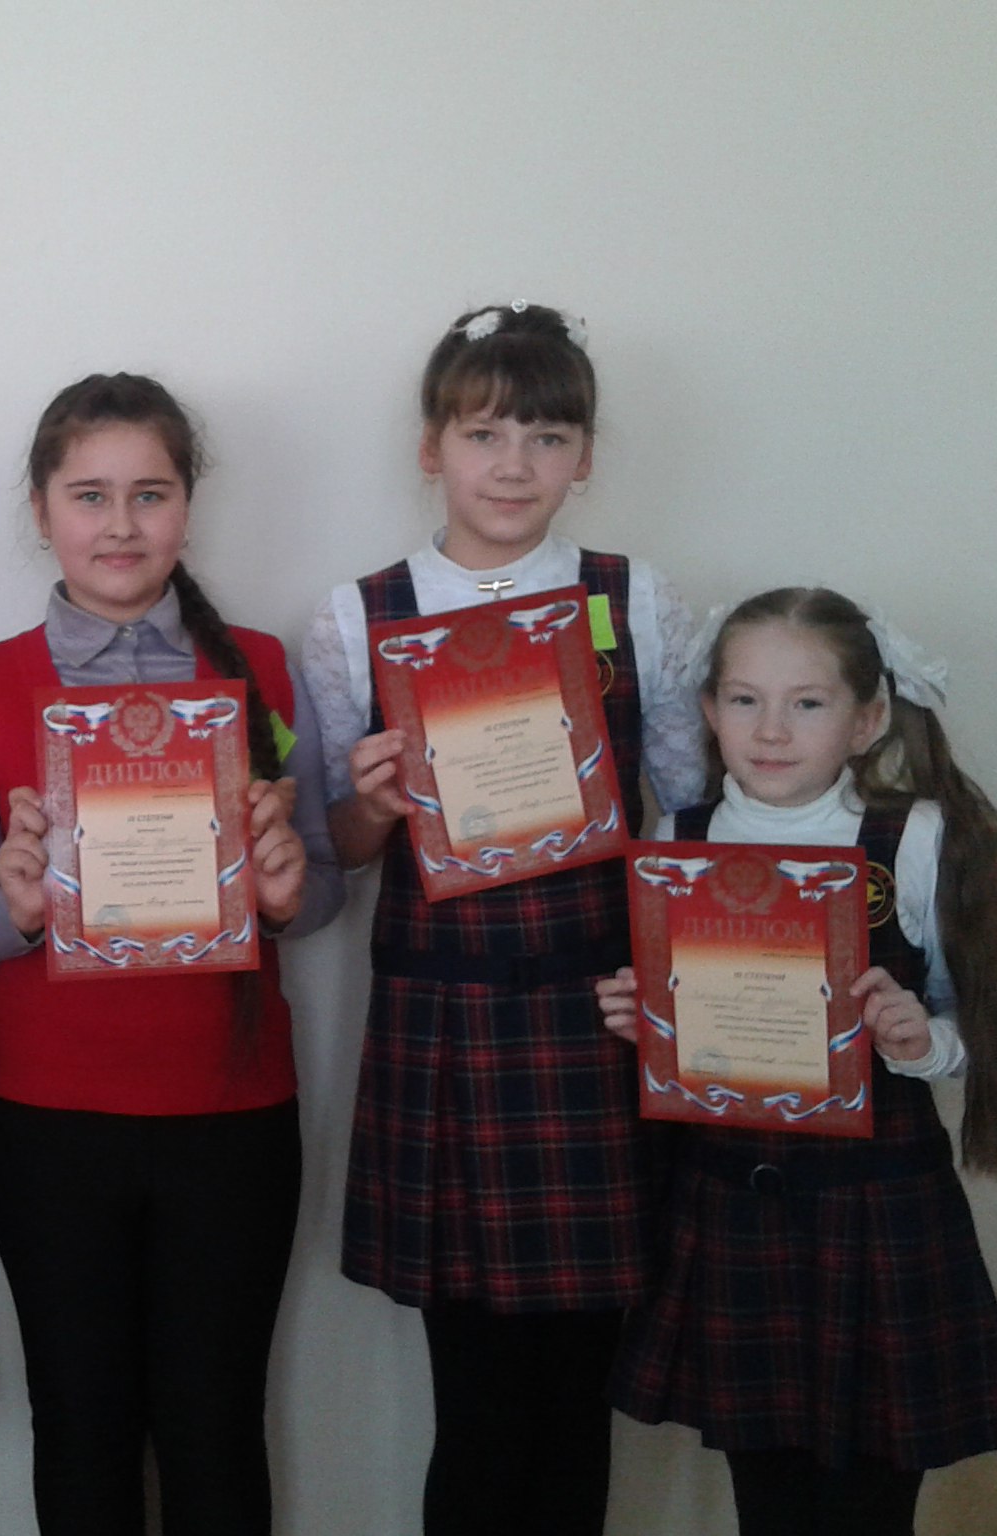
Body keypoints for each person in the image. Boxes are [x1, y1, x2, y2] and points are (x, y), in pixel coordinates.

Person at [300, 304, 708, 1535]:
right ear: (431, 447)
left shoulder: (634, 598)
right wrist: (370, 806)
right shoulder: (357, 614)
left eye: (546, 435)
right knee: (473, 1406)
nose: (514, 464)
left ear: (583, 456)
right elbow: (338, 853)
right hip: (446, 1023)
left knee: (575, 1403)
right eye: (484, 434)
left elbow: (689, 813)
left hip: (596, 1020)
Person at [0, 372, 344, 1536]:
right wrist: (16, 909)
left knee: (216, 1430)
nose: (120, 525)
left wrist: (287, 894)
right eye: (90, 495)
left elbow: (320, 886)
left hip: (233, 1111)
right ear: (41, 508)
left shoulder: (261, 666)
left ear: (187, 507)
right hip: (49, 1121)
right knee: (81, 1429)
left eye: (149, 494)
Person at [598, 587, 997, 1535]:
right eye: (745, 699)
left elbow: (974, 1031)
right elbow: (690, 1026)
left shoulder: (913, 839)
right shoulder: (677, 839)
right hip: (728, 1202)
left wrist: (921, 1040)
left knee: (867, 1505)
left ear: (867, 720)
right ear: (709, 710)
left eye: (808, 703)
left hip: (877, 1204)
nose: (772, 730)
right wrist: (647, 1024)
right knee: (767, 1498)